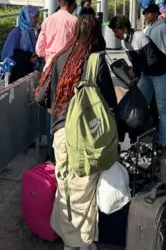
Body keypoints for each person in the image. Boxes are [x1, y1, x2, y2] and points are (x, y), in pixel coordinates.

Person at [35, 16, 116, 250]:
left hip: (60, 133)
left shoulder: (59, 57)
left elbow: (41, 97)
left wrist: (56, 108)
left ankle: (79, 239)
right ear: (95, 35)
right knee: (82, 189)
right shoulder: (94, 62)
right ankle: (76, 243)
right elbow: (110, 102)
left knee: (67, 186)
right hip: (86, 137)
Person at [109, 16, 166, 157]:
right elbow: (135, 61)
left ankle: (162, 142)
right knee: (140, 103)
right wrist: (136, 74)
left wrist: (137, 71)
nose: (115, 34)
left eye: (116, 31)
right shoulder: (125, 42)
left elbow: (153, 60)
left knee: (162, 107)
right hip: (147, 74)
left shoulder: (140, 38)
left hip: (159, 73)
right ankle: (141, 135)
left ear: (124, 29)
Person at [36, 0, 79, 69]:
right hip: (68, 68)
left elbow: (39, 49)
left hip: (49, 66)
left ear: (59, 1)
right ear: (73, 3)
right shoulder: (75, 21)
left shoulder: (47, 21)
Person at [1, 5, 40, 83]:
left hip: (29, 71)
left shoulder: (32, 32)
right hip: (17, 76)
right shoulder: (16, 32)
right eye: (35, 17)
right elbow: (7, 55)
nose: (37, 20)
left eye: (38, 16)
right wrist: (28, 57)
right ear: (27, 17)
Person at [143, 3, 166, 77]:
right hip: (148, 65)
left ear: (156, 14)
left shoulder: (164, 28)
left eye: (148, 13)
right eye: (145, 13)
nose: (146, 15)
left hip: (161, 66)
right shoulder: (146, 29)